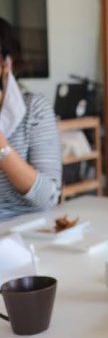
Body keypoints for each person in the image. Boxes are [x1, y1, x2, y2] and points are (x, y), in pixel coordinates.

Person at [0, 18, 61, 219]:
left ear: (6, 63)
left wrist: (2, 147)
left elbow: (48, 197)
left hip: (20, 229)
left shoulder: (35, 110)